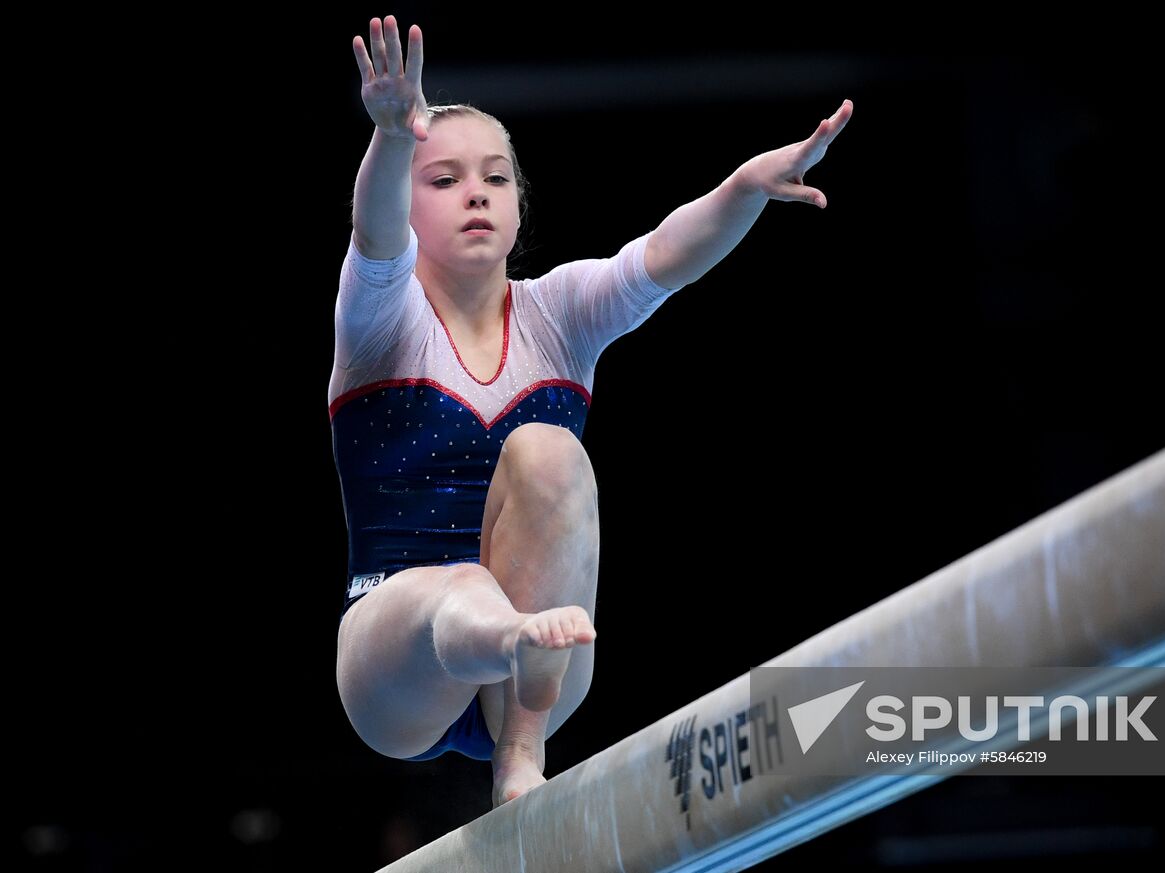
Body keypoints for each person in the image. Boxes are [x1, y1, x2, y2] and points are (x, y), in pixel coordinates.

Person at [331, 15, 854, 808]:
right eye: (444, 180)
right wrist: (393, 138)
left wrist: (743, 188)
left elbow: (663, 256)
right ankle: (502, 632)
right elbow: (372, 236)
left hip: (540, 675)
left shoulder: (559, 314)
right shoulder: (381, 322)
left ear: (517, 204)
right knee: (457, 587)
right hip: (399, 660)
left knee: (549, 449)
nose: (475, 190)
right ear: (409, 203)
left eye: (495, 177)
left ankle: (521, 750)